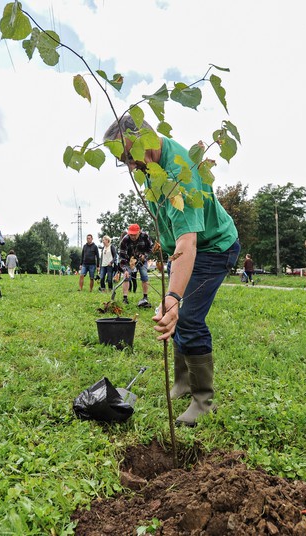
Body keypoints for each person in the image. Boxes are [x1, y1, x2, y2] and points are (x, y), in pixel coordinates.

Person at [104, 117, 240, 426]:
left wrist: (174, 295)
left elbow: (188, 241)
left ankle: (203, 401)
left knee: (187, 317)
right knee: (177, 314)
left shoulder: (179, 172)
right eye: (121, 161)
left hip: (213, 246)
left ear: (146, 140)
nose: (128, 166)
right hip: (192, 245)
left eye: (128, 156)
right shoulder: (153, 166)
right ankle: (182, 382)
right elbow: (170, 224)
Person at [118, 223, 154, 307]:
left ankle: (145, 297)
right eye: (131, 234)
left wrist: (144, 255)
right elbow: (122, 256)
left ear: (139, 232)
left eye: (134, 234)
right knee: (126, 277)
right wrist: (125, 270)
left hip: (142, 260)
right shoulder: (125, 240)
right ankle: (125, 298)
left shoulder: (145, 236)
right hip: (128, 260)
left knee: (144, 276)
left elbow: (150, 248)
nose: (132, 236)